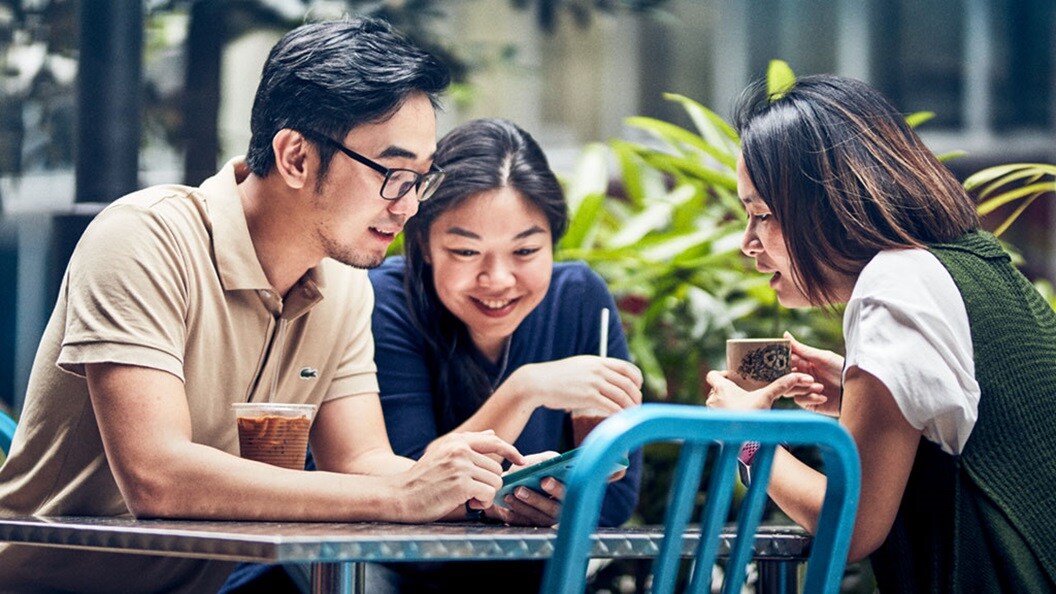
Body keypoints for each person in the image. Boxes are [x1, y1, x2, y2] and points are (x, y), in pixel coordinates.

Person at [0, 18, 524, 594]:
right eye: (393, 174)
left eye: (420, 179)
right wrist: (403, 493)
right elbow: (157, 477)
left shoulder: (344, 285)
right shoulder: (142, 239)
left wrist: (486, 493)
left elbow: (363, 463)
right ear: (296, 156)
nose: (408, 207)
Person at [704, 74, 1056, 592]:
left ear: (825, 204)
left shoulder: (893, 286)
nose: (747, 242)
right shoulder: (973, 261)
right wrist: (852, 389)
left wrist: (748, 438)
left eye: (760, 214)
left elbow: (849, 527)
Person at [371, 117, 644, 592]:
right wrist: (525, 389)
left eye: (525, 251)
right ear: (424, 244)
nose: (497, 280)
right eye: (465, 251)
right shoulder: (385, 302)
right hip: (390, 576)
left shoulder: (579, 299)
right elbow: (406, 489)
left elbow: (617, 498)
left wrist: (565, 501)